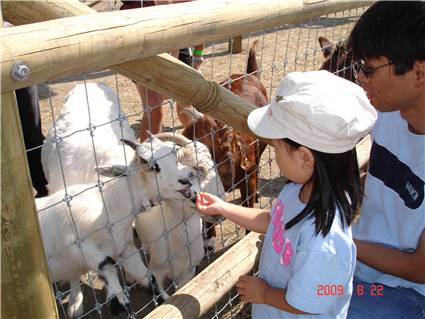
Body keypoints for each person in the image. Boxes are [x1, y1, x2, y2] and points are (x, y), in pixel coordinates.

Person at [196, 70, 377, 318]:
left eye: (277, 147)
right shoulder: (297, 191)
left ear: (304, 157)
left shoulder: (325, 244)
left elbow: (313, 302)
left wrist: (265, 294)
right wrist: (222, 208)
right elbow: (274, 223)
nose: (274, 153)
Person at [346, 2, 425, 318]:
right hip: (361, 268)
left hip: (407, 292)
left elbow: (419, 270)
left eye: (368, 68)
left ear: (419, 72)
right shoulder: (387, 112)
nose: (360, 78)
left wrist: (338, 241)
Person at [120, 0, 205, 141]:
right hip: (142, 36)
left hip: (177, 35)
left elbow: (198, 10)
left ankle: (195, 142)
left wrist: (198, 56)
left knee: (185, 98)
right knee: (154, 106)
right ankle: (147, 158)